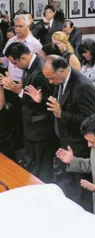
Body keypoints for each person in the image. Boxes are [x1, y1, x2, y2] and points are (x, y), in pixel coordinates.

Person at [31, 55, 95, 210]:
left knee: (80, 189)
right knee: (66, 186)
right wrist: (42, 99)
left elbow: (89, 119)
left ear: (61, 70)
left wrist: (62, 115)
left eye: (51, 78)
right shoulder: (59, 80)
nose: (50, 82)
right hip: (63, 141)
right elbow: (56, 100)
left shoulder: (82, 85)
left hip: (78, 147)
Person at [3, 42, 56, 183]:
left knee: (43, 169)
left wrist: (18, 91)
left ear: (23, 57)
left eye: (15, 63)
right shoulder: (30, 67)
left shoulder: (41, 70)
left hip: (41, 130)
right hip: (31, 128)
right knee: (33, 165)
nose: (14, 66)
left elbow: (45, 98)